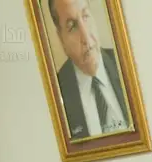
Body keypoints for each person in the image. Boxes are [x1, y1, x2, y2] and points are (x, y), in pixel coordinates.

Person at [49, 0, 130, 139]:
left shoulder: (126, 64)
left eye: (86, 16)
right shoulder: (56, 93)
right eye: (72, 26)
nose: (86, 37)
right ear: (61, 39)